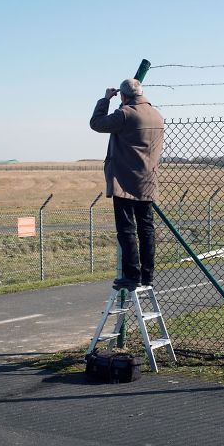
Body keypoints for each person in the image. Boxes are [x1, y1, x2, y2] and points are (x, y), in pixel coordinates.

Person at [90, 78, 164, 291]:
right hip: (148, 178)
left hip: (125, 180)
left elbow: (97, 123)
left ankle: (132, 275)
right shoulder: (157, 116)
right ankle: (147, 275)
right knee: (146, 228)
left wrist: (105, 99)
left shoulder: (125, 114)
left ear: (123, 96)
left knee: (126, 229)